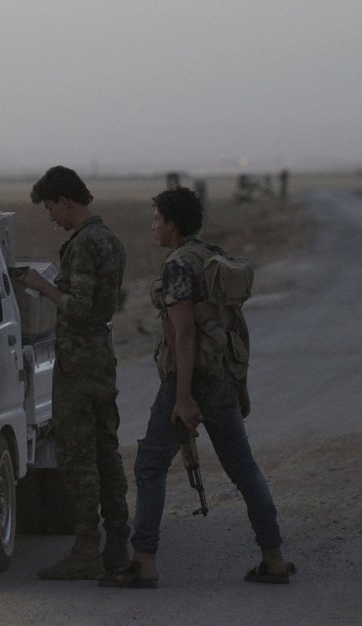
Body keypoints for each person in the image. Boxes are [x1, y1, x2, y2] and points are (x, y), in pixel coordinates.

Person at [101, 187, 294, 588]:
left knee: (150, 466)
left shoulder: (178, 267)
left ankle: (145, 562)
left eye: (156, 219)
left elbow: (184, 334)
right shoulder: (212, 256)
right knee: (244, 470)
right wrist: (239, 383)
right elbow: (233, 326)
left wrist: (184, 396)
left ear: (171, 224)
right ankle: (273, 558)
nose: (152, 226)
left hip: (188, 382)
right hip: (221, 378)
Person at [19, 166, 131, 580]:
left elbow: (81, 308)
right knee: (106, 452)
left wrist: (43, 287)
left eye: (52, 209)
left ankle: (87, 548)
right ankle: (117, 542)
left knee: (78, 456)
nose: (52, 218)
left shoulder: (85, 245)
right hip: (100, 356)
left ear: (65, 200)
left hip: (79, 360)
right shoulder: (110, 240)